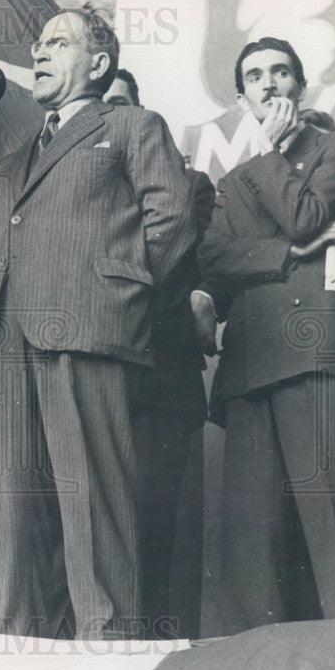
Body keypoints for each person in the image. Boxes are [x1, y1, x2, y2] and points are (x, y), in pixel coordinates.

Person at [0, 9, 195, 640]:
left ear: (98, 65)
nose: (39, 52)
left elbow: (172, 222)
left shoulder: (129, 125)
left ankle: (106, 649)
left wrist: (118, 299)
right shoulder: (18, 153)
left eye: (57, 42)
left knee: (92, 505)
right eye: (38, 43)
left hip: (86, 333)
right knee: (9, 515)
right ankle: (19, 649)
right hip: (0, 338)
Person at [197, 37, 335, 634]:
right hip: (249, 366)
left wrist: (276, 157)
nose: (268, 84)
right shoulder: (233, 181)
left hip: (316, 358)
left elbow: (305, 212)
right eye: (254, 77)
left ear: (300, 87)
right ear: (242, 94)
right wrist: (292, 251)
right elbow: (216, 262)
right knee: (252, 540)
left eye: (279, 73)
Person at [103, 68, 215, 638]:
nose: (110, 117)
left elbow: (170, 257)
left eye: (121, 105)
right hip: (97, 373)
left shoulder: (187, 185)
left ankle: (154, 642)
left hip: (161, 374)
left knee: (157, 519)